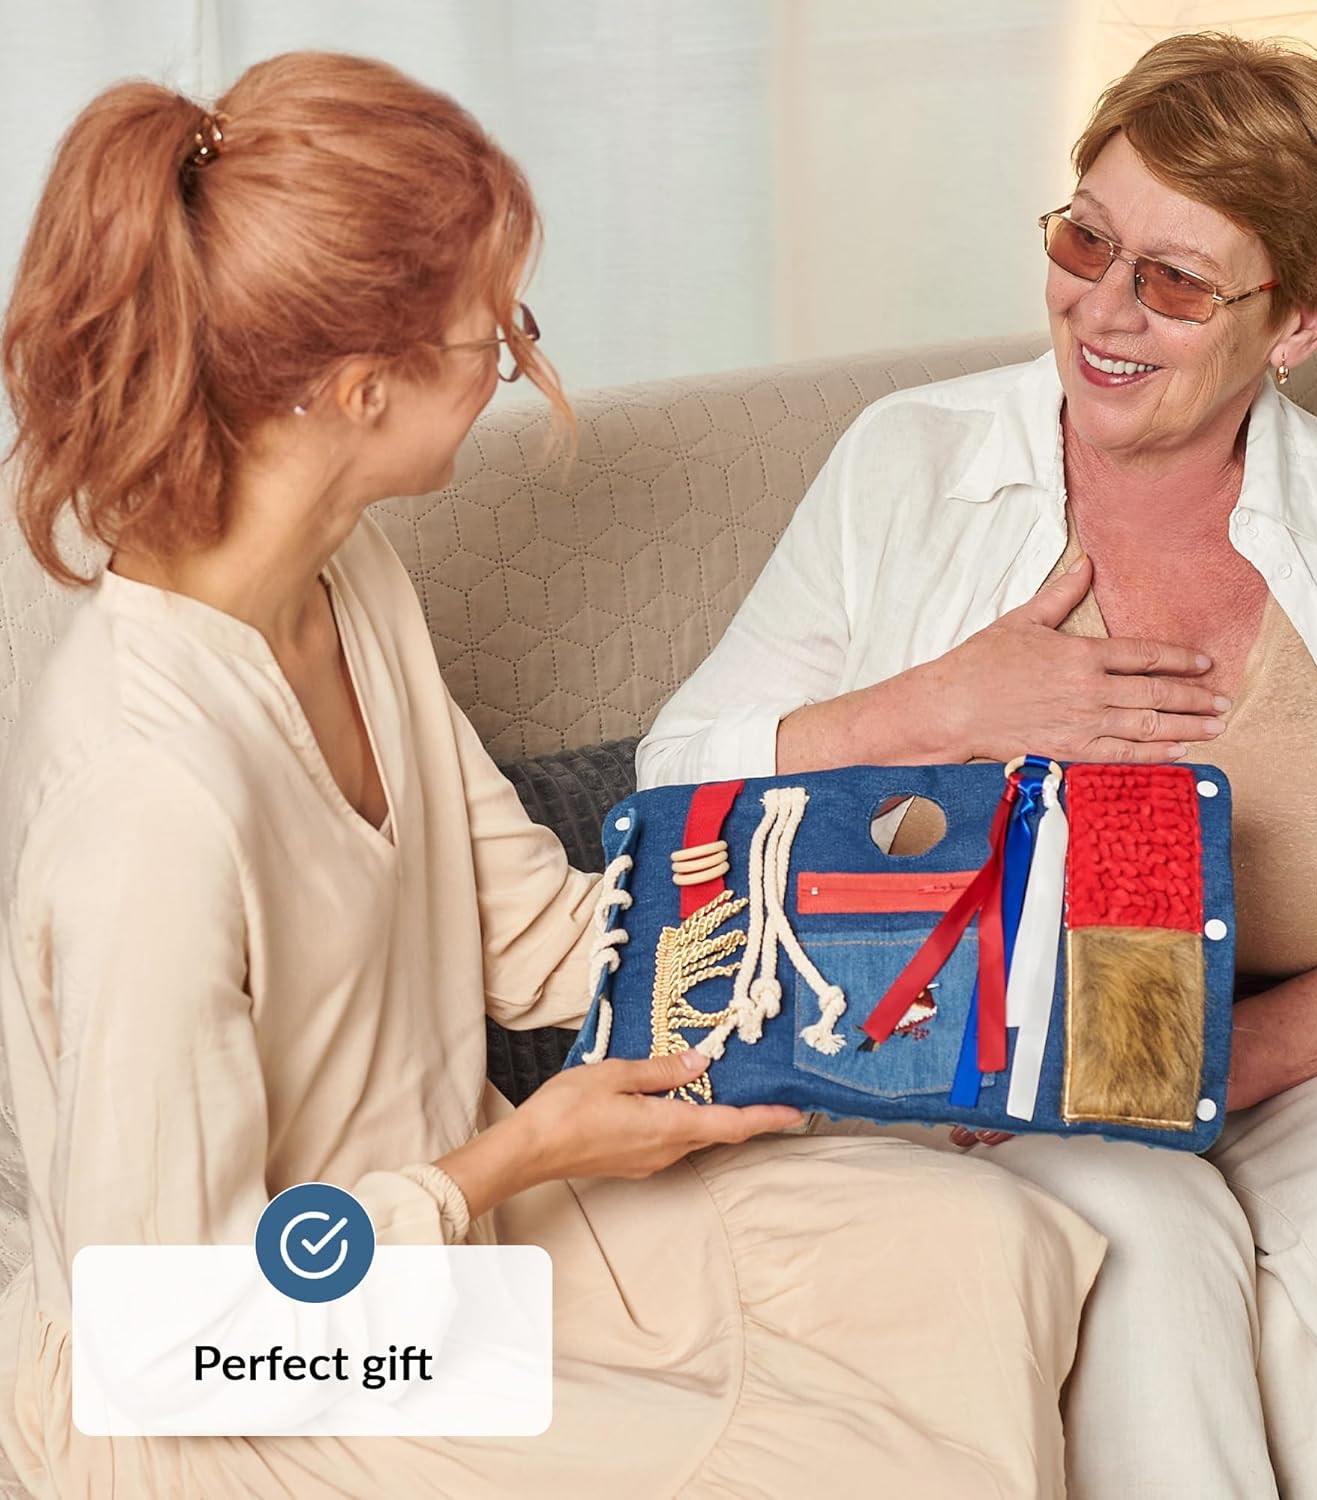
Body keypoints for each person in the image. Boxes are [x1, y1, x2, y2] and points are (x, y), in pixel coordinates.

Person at [0, 52, 1105, 1500]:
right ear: (360, 388)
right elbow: (169, 1335)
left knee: (974, 1247)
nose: (521, 363)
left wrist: (893, 933)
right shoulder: (149, 801)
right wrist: (516, 1158)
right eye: (497, 329)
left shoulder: (345, 577)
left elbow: (531, 938)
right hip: (250, 1377)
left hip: (445, 1241)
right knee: (849, 1468)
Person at [638, 31, 1317, 1500]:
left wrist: (1204, 1071)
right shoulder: (907, 464)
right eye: (1086, 238)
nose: (1103, 306)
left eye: (1176, 280)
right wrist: (935, 707)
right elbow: (677, 785)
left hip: (1286, 1054)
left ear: (1297, 324)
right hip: (988, 1066)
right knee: (1142, 1234)